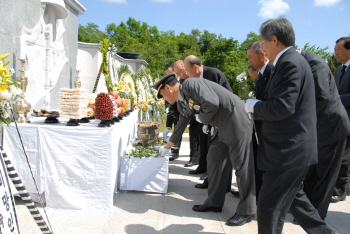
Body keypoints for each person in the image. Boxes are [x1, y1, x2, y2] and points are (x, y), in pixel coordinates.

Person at [245, 18, 334, 234]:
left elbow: (283, 107)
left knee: (267, 207)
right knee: (296, 200)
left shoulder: (290, 63)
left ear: (274, 40)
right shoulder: (290, 61)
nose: (262, 49)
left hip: (287, 151)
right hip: (291, 149)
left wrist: (252, 106)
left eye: (263, 44)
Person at [154, 73, 256, 226]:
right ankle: (214, 202)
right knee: (214, 161)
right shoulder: (181, 102)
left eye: (163, 95)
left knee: (242, 167)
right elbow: (182, 123)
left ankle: (246, 211)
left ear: (168, 88)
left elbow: (212, 103)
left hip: (235, 122)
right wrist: (166, 147)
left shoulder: (191, 85)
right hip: (220, 126)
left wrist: (201, 118)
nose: (165, 101)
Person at [298, 48, 350, 219]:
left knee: (324, 175)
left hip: (331, 126)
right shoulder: (303, 61)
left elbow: (322, 96)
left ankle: (316, 216)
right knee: (312, 173)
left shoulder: (313, 62)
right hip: (319, 126)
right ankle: (308, 212)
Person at [183, 55, 233, 179]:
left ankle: (211, 174)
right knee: (203, 143)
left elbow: (226, 97)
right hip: (204, 116)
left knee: (214, 147)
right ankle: (203, 166)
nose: (187, 74)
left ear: (195, 67)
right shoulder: (194, 80)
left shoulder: (213, 74)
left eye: (187, 70)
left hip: (219, 117)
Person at [242, 41, 273, 200]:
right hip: (261, 125)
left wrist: (256, 106)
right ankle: (258, 192)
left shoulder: (273, 71)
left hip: (272, 127)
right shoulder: (262, 73)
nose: (249, 61)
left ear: (262, 54)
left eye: (250, 57)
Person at [332, 37, 350, 203]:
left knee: (345, 157)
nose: (335, 51)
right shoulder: (339, 71)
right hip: (339, 119)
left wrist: (334, 99)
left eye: (338, 48)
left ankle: (340, 190)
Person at [173, 60, 199, 167]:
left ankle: (197, 160)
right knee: (192, 135)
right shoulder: (181, 81)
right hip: (187, 112)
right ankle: (193, 159)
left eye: (180, 72)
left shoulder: (195, 79)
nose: (180, 75)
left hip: (199, 112)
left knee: (198, 138)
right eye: (177, 73)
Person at [163, 64, 182, 161]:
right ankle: (174, 152)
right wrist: (168, 126)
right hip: (174, 113)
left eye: (170, 74)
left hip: (184, 112)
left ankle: (194, 157)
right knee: (176, 131)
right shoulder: (168, 86)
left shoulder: (183, 82)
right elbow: (169, 104)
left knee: (179, 131)